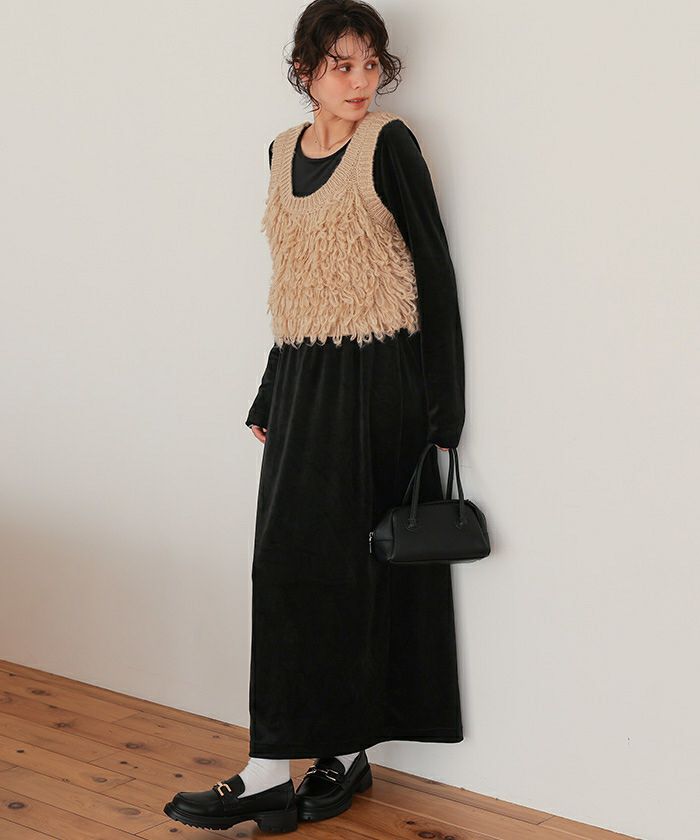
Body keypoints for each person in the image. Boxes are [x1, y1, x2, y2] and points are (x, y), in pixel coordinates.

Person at [164, 0, 466, 832]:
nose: (360, 80)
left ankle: (341, 752)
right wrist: (273, 388)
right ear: (306, 70)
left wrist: (444, 412)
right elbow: (297, 277)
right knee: (284, 566)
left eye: (371, 64)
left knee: (352, 571)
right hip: (305, 375)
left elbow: (434, 271)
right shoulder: (278, 151)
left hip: (380, 376)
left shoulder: (390, 144)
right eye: (342, 65)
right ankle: (271, 767)